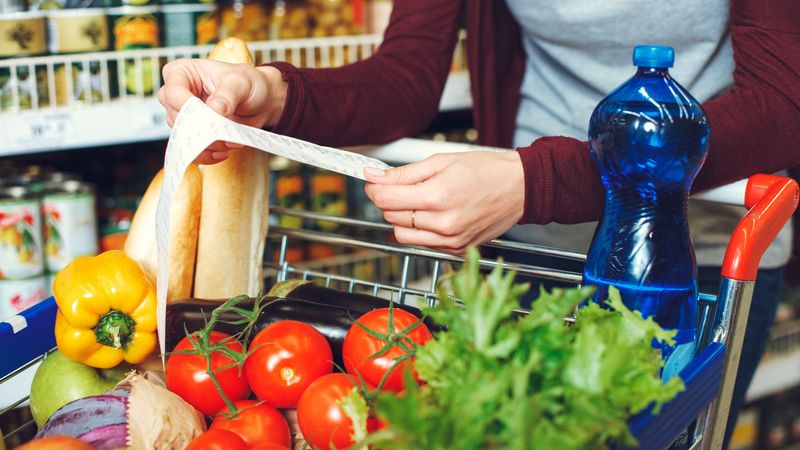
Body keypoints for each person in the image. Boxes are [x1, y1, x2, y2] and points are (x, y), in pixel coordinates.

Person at [158, 0, 800, 446]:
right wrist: (271, 93)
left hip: (691, 262)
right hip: (531, 253)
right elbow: (407, 74)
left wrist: (539, 181)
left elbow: (780, 104)